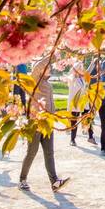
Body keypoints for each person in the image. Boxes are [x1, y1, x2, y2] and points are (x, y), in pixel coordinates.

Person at [17, 55, 70, 193]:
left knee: (49, 153)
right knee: (32, 152)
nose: (50, 68)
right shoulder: (35, 80)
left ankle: (54, 182)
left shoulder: (47, 83)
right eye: (48, 67)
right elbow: (37, 66)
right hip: (35, 122)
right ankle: (22, 179)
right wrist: (52, 54)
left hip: (47, 123)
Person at [67, 61, 96, 146]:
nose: (82, 69)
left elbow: (88, 71)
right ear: (76, 69)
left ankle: (90, 137)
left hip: (84, 103)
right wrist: (75, 72)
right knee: (74, 122)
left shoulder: (83, 78)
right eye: (80, 67)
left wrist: (92, 62)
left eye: (82, 67)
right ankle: (72, 139)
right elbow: (70, 78)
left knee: (87, 120)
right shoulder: (72, 78)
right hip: (75, 104)